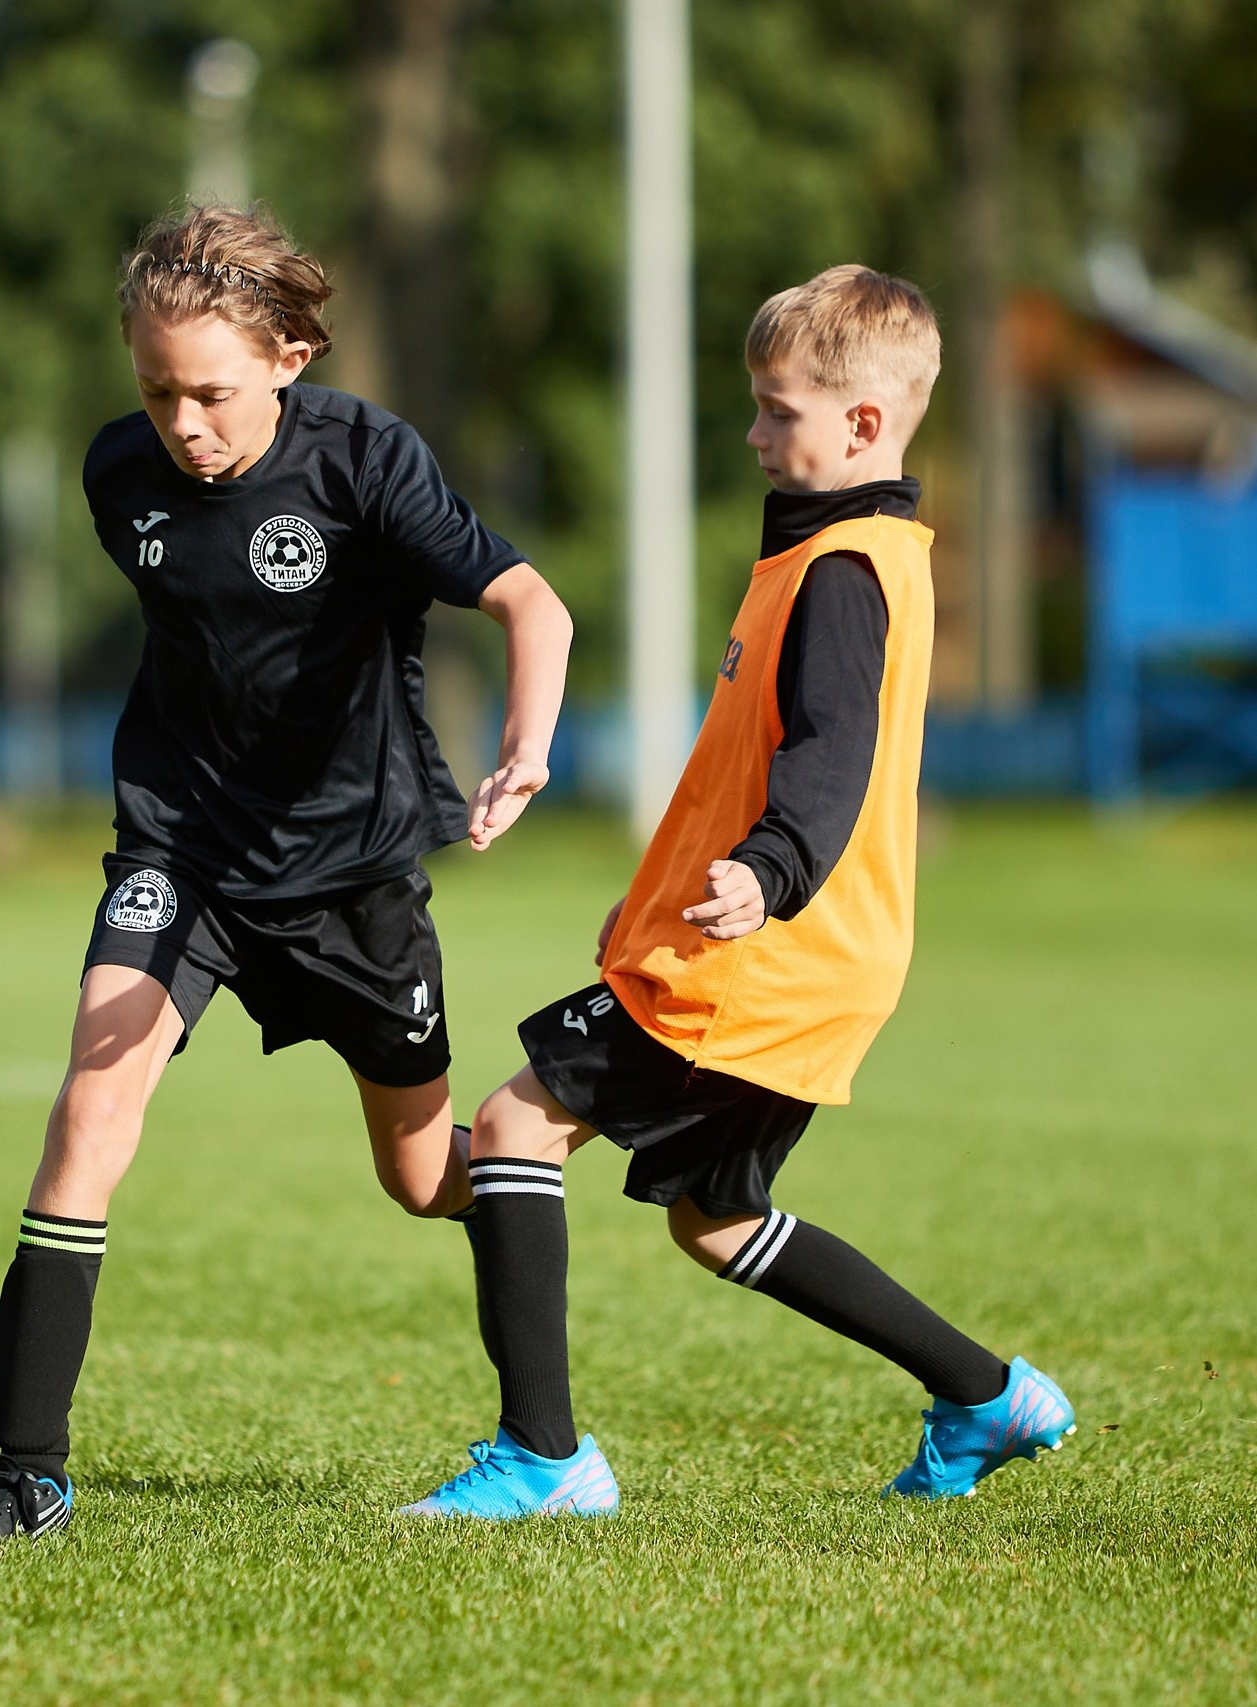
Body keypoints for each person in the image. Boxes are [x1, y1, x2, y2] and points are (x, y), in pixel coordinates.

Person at [0, 203, 574, 1543]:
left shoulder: (366, 463)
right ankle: (26, 1474)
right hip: (186, 853)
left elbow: (531, 601)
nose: (184, 423)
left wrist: (524, 750)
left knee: (421, 1173)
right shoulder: (120, 476)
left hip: (355, 875)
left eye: (211, 392)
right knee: (89, 1110)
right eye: (158, 391)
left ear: (291, 355)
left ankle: (532, 1169)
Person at [402, 265, 1073, 1521]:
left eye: (777, 413)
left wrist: (763, 881)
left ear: (864, 425)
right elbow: (742, 770)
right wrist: (652, 897)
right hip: (807, 950)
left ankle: (543, 1462)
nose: (756, 436)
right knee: (713, 1216)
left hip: (769, 953)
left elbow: (828, 762)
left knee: (511, 1128)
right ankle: (983, 1392)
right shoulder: (849, 557)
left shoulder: (839, 573)